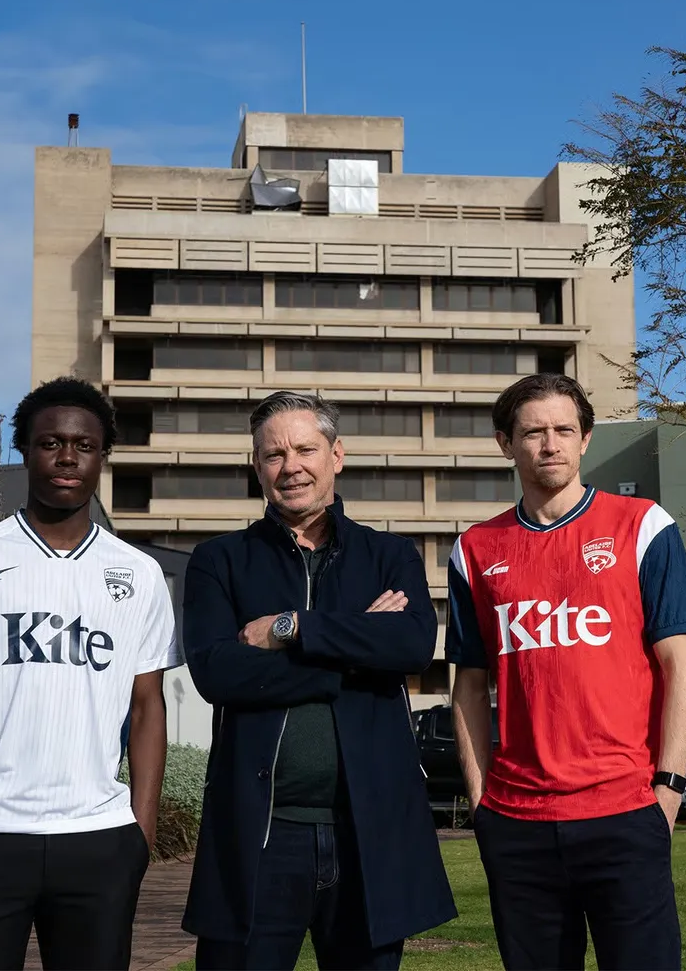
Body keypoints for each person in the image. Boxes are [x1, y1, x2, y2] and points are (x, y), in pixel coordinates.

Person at [0, 377, 182, 971]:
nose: (67, 457)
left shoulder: (138, 575)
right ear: (24, 450)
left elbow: (147, 709)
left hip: (100, 840)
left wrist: (139, 831)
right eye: (50, 442)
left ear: (102, 456)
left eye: (83, 446)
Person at [181, 390, 456, 971]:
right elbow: (217, 674)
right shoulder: (219, 560)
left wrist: (292, 627)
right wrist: (354, 654)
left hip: (369, 833)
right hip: (261, 834)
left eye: (305, 448)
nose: (291, 466)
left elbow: (410, 645)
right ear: (256, 466)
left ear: (337, 455)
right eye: (274, 454)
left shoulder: (388, 554)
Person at [448, 372, 686, 971]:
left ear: (586, 439)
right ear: (504, 443)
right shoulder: (475, 548)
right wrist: (482, 800)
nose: (550, 444)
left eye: (565, 430)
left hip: (625, 810)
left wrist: (666, 789)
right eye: (533, 432)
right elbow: (470, 685)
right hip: (518, 824)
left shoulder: (642, 526)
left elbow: (682, 665)